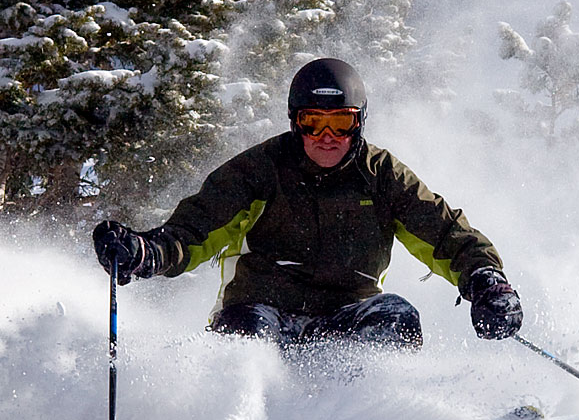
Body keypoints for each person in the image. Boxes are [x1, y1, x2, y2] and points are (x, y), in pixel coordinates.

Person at [92, 58, 522, 349]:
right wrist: (145, 253)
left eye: (341, 122)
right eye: (313, 122)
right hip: (263, 311)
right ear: (295, 122)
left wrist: (486, 281)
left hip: (346, 315)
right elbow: (195, 230)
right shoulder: (262, 169)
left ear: (360, 123)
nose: (327, 136)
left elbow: (445, 233)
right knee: (246, 331)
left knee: (396, 317)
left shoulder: (382, 175)